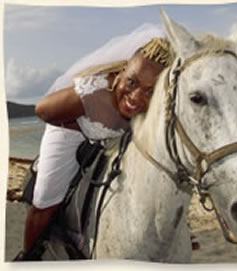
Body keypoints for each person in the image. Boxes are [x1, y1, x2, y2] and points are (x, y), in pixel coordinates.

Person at [16, 24, 174, 259]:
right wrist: (81, 126)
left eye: (150, 92)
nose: (136, 97)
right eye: (131, 82)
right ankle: (30, 255)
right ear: (121, 72)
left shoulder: (151, 106)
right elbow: (42, 110)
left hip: (110, 141)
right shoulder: (90, 94)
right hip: (71, 130)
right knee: (47, 198)